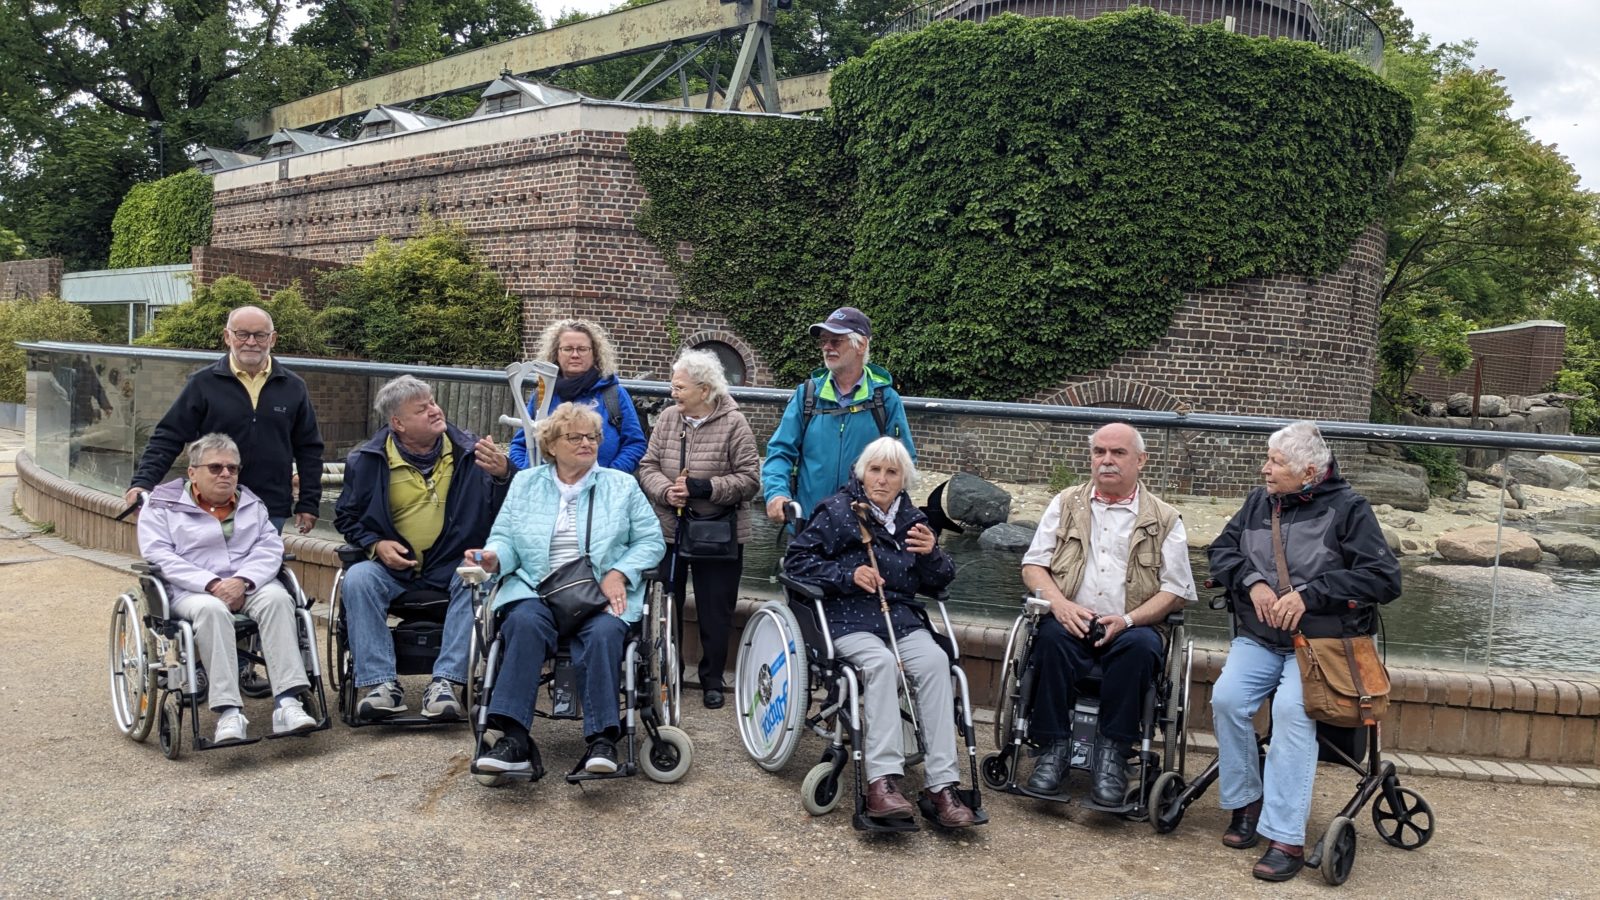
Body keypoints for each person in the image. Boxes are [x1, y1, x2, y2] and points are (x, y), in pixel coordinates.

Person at [1207, 421, 1400, 882]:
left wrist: (1311, 594)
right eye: (1268, 458)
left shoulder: (1350, 508)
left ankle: (1285, 835)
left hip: (1322, 645)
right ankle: (1247, 801)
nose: (1265, 468)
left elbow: (1383, 578)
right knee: (1227, 700)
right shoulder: (1259, 502)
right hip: (1259, 637)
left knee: (1295, 712)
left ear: (1309, 471)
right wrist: (1251, 583)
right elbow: (1221, 551)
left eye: (1274, 462)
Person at [784, 436, 977, 828]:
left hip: (900, 619)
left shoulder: (914, 521)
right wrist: (847, 574)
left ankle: (941, 787)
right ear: (862, 472)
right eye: (876, 470)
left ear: (904, 478)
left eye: (892, 472)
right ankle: (882, 781)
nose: (883, 480)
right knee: (881, 663)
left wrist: (933, 554)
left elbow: (940, 579)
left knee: (938, 662)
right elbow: (795, 562)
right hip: (847, 617)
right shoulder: (837, 511)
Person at [469, 403, 664, 779]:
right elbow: (505, 538)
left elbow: (651, 541)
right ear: (551, 444)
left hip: (599, 592)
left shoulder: (621, 485)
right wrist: (493, 559)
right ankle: (513, 739)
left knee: (607, 632)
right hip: (536, 588)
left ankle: (603, 740)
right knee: (522, 623)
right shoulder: (525, 483)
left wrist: (620, 573)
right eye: (575, 437)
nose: (587, 443)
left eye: (593, 437)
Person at [1018, 423, 1196, 805]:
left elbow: (1176, 590)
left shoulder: (1165, 519)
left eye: (1117, 453)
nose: (1106, 461)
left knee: (1141, 649)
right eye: (1099, 452)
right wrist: (1061, 605)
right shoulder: (1066, 503)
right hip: (1072, 616)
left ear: (1141, 460)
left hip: (1132, 623)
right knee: (1048, 638)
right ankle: (1052, 749)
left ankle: (1113, 754)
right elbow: (1033, 566)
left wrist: (1129, 620)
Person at [333, 375, 512, 721]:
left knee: (476, 578)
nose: (434, 410)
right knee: (358, 579)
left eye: (432, 402)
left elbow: (506, 512)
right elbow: (346, 516)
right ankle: (381, 684)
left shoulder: (472, 453)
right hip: (392, 569)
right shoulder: (366, 460)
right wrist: (375, 544)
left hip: (452, 564)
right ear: (397, 423)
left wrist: (505, 474)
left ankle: (445, 682)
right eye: (422, 408)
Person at [135, 433, 317, 743]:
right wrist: (211, 584)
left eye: (232, 468)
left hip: (248, 584)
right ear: (192, 472)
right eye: (216, 467)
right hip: (191, 591)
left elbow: (269, 548)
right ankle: (229, 712)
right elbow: (158, 555)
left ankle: (288, 702)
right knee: (212, 610)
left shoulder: (251, 503)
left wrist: (242, 581)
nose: (226, 474)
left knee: (277, 599)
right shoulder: (162, 505)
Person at [125, 305, 323, 535]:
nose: (251, 342)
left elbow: (309, 449)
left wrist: (309, 502)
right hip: (211, 503)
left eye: (260, 335)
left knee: (260, 569)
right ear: (227, 337)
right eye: (242, 334)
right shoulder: (202, 383)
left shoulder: (293, 387)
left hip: (270, 505)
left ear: (273, 339)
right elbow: (169, 436)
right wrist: (143, 482)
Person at [636, 349, 761, 709]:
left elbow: (750, 480)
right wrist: (665, 489)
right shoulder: (667, 419)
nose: (673, 392)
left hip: (718, 533)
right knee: (665, 604)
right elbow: (648, 465)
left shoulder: (735, 423)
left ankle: (712, 679)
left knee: (715, 609)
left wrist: (703, 489)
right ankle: (666, 672)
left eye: (679, 387)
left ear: (704, 390)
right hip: (670, 527)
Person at [761, 306, 914, 525]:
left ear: (861, 345)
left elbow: (905, 461)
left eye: (836, 341)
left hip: (865, 530)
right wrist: (776, 493)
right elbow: (780, 451)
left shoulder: (886, 400)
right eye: (824, 340)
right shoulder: (807, 395)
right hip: (809, 524)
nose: (827, 347)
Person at [507, 319, 647, 474]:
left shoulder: (613, 395)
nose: (575, 355)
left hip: (600, 492)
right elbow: (520, 444)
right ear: (556, 353)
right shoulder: (543, 394)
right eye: (567, 349)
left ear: (594, 353)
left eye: (582, 349)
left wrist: (608, 477)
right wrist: (528, 474)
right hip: (545, 491)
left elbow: (635, 444)